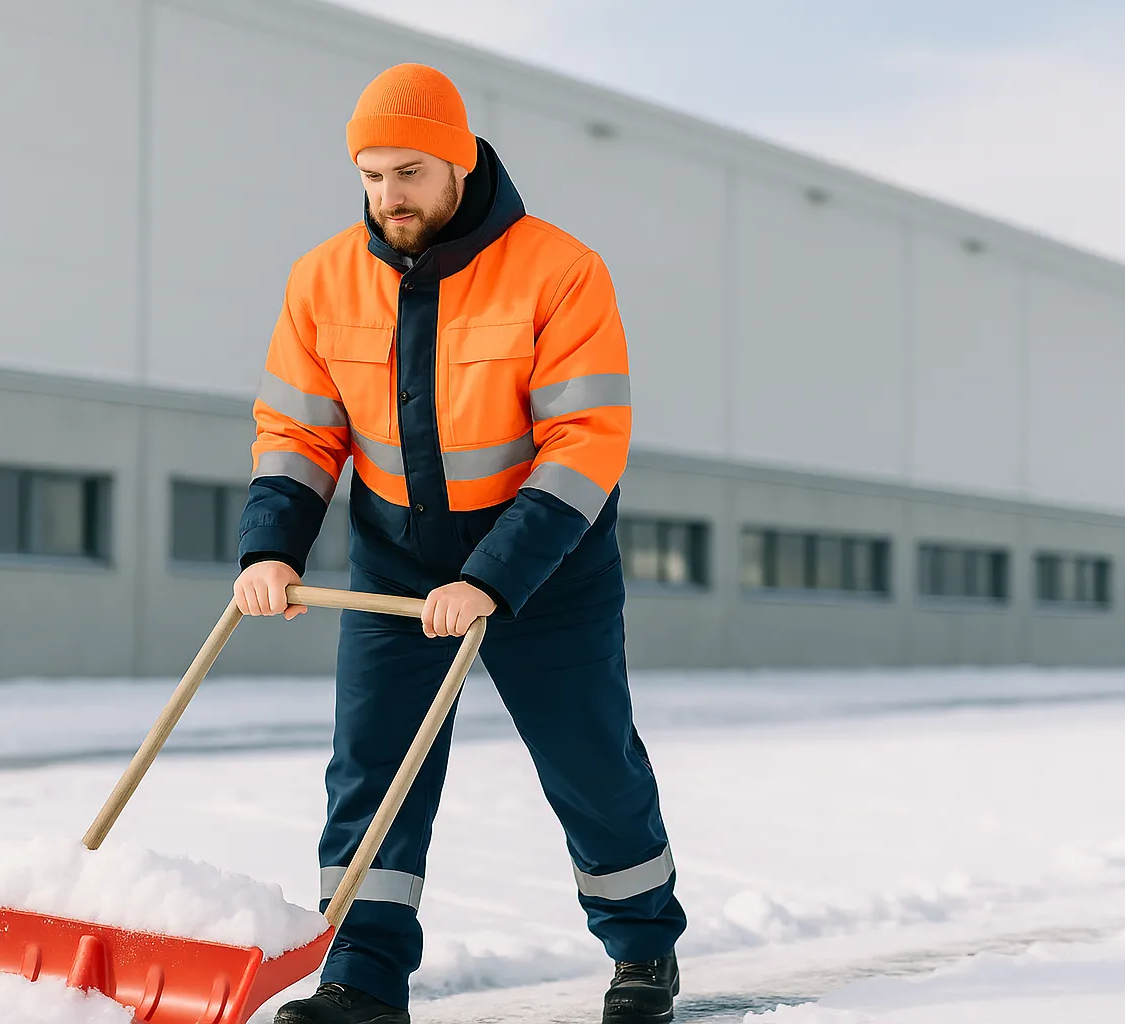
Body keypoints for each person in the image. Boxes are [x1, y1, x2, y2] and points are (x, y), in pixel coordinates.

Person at [232, 63, 686, 1024]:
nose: (387, 197)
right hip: (396, 562)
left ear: (458, 159)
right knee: (372, 772)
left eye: (407, 173)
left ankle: (643, 953)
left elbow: (585, 443)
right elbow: (301, 431)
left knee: (588, 760)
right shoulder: (322, 280)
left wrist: (492, 577)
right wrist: (270, 549)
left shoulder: (558, 270)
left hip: (545, 564)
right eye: (370, 176)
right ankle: (361, 975)